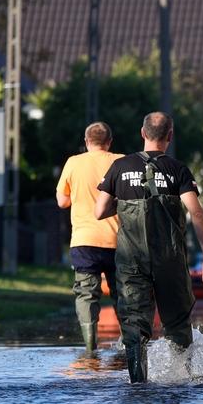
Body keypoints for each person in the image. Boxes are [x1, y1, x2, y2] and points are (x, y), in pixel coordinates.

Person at [94, 112, 203, 384]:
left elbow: (99, 210)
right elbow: (196, 214)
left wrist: (124, 199)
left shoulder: (120, 167)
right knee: (177, 321)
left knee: (135, 325)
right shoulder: (178, 169)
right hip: (170, 260)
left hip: (131, 259)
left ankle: (138, 383)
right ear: (170, 136)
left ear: (142, 133)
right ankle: (181, 380)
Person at [56, 122, 124, 355]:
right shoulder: (121, 161)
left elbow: (62, 201)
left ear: (86, 141)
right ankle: (127, 345)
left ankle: (90, 347)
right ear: (110, 142)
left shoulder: (73, 163)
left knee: (86, 293)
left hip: (84, 240)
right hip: (118, 241)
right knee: (122, 292)